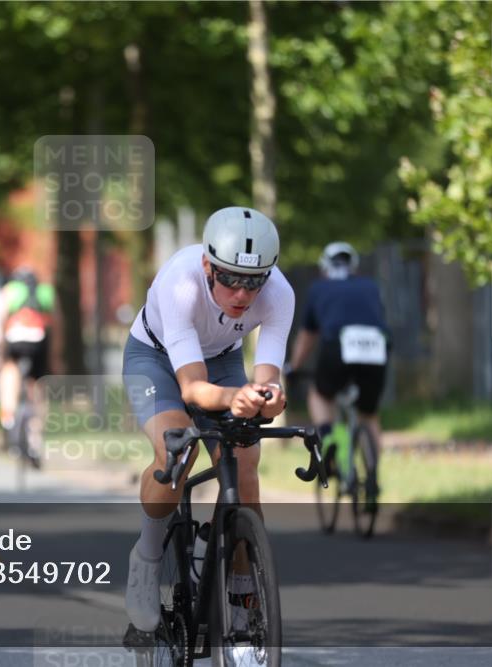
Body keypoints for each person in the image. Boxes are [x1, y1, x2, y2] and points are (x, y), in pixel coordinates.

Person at [121, 206, 293, 633]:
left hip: (222, 363)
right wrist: (239, 396)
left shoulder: (280, 295)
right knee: (177, 448)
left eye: (253, 282)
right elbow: (193, 389)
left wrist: (268, 399)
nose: (242, 294)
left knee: (246, 461)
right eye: (231, 279)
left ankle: (240, 590)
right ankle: (146, 556)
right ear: (207, 266)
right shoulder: (180, 282)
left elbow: (268, 379)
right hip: (156, 359)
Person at [288, 241, 389, 487]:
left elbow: (307, 337)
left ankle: (328, 436)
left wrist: (294, 366)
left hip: (339, 347)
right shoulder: (370, 286)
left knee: (320, 394)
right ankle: (373, 477)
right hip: (377, 348)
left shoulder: (319, 288)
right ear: (353, 267)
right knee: (369, 414)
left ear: (325, 267)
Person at [0, 267, 54, 466]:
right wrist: (55, 356)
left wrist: (0, 354)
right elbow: (57, 323)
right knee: (38, 387)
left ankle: (8, 415)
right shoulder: (46, 291)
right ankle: (36, 438)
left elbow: (2, 321)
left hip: (15, 338)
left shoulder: (9, 290)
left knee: (9, 369)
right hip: (39, 341)